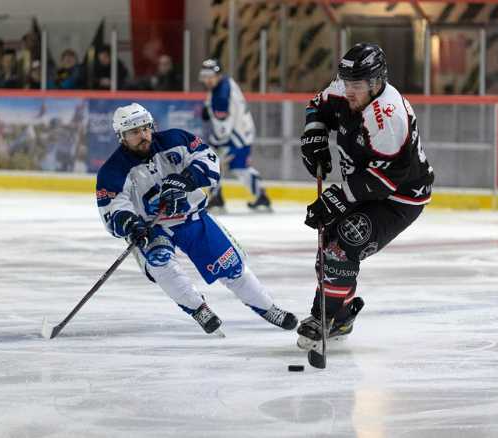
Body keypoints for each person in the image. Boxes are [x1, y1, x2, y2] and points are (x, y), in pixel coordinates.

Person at [95, 102, 297, 335]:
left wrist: (187, 179)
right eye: (134, 132)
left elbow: (209, 159)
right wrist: (130, 224)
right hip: (153, 227)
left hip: (192, 216)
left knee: (230, 266)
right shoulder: (112, 171)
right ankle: (198, 308)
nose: (143, 135)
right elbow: (113, 208)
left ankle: (267, 307)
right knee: (160, 260)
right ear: (121, 136)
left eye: (145, 128)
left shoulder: (175, 139)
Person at [295, 43, 435, 350]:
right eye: (346, 82)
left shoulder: (388, 116)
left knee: (344, 244)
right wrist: (315, 134)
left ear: (376, 82)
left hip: (399, 197)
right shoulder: (345, 88)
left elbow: (385, 180)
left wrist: (338, 198)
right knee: (326, 248)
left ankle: (324, 317)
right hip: (367, 185)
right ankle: (342, 314)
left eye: (356, 85)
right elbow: (316, 106)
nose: (349, 91)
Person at [198, 58, 272, 212]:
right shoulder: (224, 82)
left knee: (232, 166)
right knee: (225, 165)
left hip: (237, 136)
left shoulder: (221, 96)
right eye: (205, 75)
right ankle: (220, 197)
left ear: (217, 75)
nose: (207, 80)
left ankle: (259, 196)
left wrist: (216, 142)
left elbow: (222, 128)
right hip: (241, 132)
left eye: (210, 75)